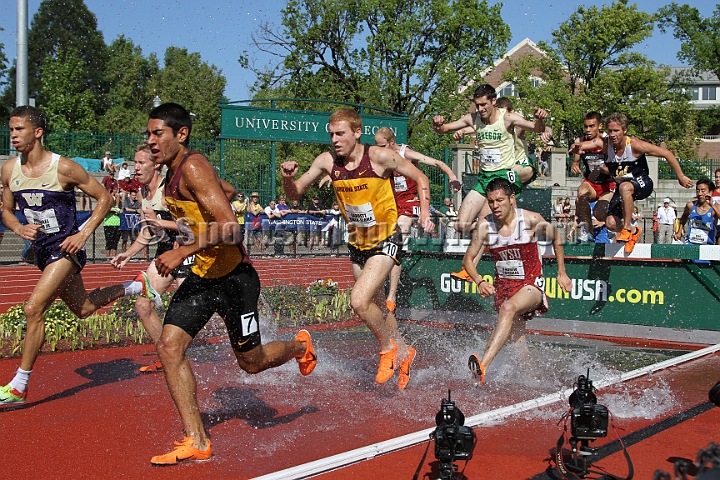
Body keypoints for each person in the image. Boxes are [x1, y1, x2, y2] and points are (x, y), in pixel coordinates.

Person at [144, 103, 316, 465]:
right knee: (169, 348)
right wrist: (217, 195)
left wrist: (181, 251)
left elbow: (233, 228)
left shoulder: (192, 164)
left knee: (251, 364)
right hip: (204, 278)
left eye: (158, 133)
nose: (151, 141)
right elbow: (230, 190)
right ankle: (197, 440)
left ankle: (300, 347)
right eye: (148, 134)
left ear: (181, 134)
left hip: (236, 281)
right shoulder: (177, 171)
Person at [0, 106, 161, 405]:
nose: (13, 134)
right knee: (84, 308)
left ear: (37, 132)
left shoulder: (64, 168)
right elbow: (6, 211)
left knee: (34, 309)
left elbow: (106, 197)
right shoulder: (9, 170)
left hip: (66, 250)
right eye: (10, 129)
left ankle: (19, 384)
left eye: (19, 129)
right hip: (42, 251)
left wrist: (82, 234)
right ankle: (137, 286)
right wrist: (19, 228)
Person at [282, 107, 434, 390]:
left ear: (357, 132)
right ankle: (404, 350)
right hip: (357, 243)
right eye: (331, 134)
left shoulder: (379, 157)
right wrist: (288, 179)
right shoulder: (327, 161)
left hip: (386, 238)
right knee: (375, 307)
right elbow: (295, 195)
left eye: (340, 133)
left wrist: (424, 213)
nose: (335, 139)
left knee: (358, 301)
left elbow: (421, 178)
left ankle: (388, 349)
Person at [111, 142, 237, 373]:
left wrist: (167, 223)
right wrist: (127, 254)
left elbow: (215, 201)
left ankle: (246, 331)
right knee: (143, 304)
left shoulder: (172, 185)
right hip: (165, 254)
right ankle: (166, 356)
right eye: (135, 162)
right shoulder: (141, 192)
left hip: (189, 252)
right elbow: (148, 230)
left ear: (155, 165)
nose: (135, 168)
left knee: (203, 308)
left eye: (141, 163)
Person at [462, 178, 571, 384]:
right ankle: (537, 381)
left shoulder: (530, 220)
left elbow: (557, 237)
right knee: (519, 345)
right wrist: (478, 281)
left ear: (512, 199)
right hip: (505, 288)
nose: (495, 206)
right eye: (491, 201)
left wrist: (561, 272)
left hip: (531, 286)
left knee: (508, 308)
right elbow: (468, 259)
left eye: (500, 200)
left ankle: (482, 365)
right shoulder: (485, 225)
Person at [570, 112, 693, 253]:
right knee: (609, 221)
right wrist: (577, 147)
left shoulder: (634, 145)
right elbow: (587, 144)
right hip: (622, 188)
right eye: (610, 131)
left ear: (625, 130)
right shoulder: (606, 144)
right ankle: (634, 231)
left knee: (624, 186)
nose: (613, 134)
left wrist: (681, 176)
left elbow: (667, 153)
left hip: (642, 183)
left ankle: (627, 228)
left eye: (616, 131)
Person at [373, 127, 461, 313]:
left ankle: (391, 296)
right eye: (377, 146)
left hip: (408, 203)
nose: (379, 149)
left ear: (391, 142)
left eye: (382, 146)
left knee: (395, 240)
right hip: (390, 203)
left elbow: (436, 162)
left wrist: (452, 177)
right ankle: (379, 289)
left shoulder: (406, 153)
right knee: (380, 245)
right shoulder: (380, 155)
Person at [570, 112, 615, 243]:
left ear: (600, 126)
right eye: (586, 127)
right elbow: (576, 161)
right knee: (581, 192)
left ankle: (614, 230)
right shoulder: (581, 141)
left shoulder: (608, 142)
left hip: (607, 185)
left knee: (599, 213)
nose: (588, 130)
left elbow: (615, 169)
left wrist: (600, 169)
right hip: (591, 183)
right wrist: (575, 165)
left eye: (591, 126)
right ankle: (588, 228)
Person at [674, 177, 719, 247]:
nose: (699, 193)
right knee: (676, 258)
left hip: (707, 245)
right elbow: (684, 216)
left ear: (710, 192)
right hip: (691, 243)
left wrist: (712, 204)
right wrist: (679, 231)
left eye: (703, 191)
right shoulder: (691, 205)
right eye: (697, 190)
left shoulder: (715, 207)